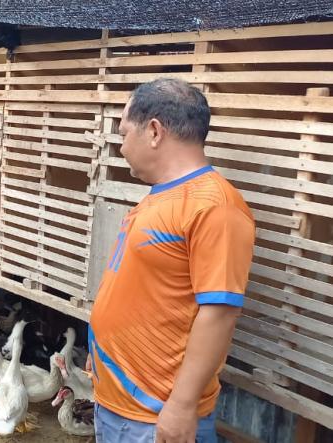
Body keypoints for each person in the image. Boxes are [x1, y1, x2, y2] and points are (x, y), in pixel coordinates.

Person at [88, 78, 255, 443]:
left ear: (153, 132)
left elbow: (220, 312)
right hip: (118, 400)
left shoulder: (215, 207)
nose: (120, 145)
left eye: (124, 132)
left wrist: (181, 405)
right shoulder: (159, 197)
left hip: (154, 413)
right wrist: (100, 355)